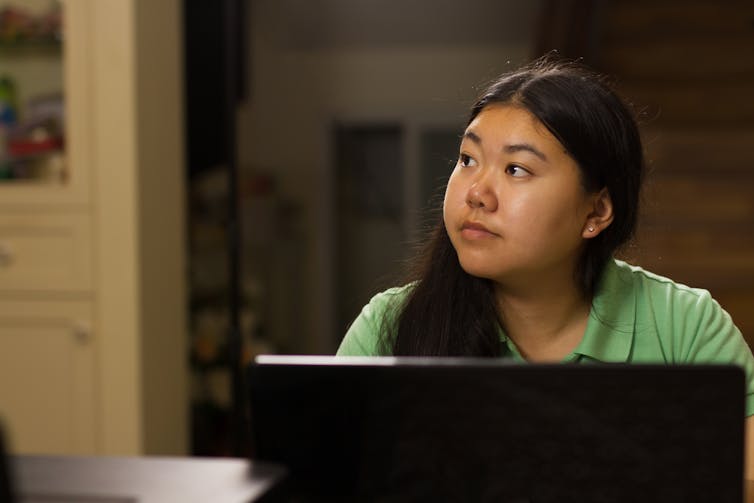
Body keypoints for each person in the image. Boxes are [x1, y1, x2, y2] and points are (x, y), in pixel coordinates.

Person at [335, 56, 754, 475]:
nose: (477, 192)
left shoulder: (686, 328)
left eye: (516, 169)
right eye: (467, 159)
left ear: (597, 211)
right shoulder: (389, 326)